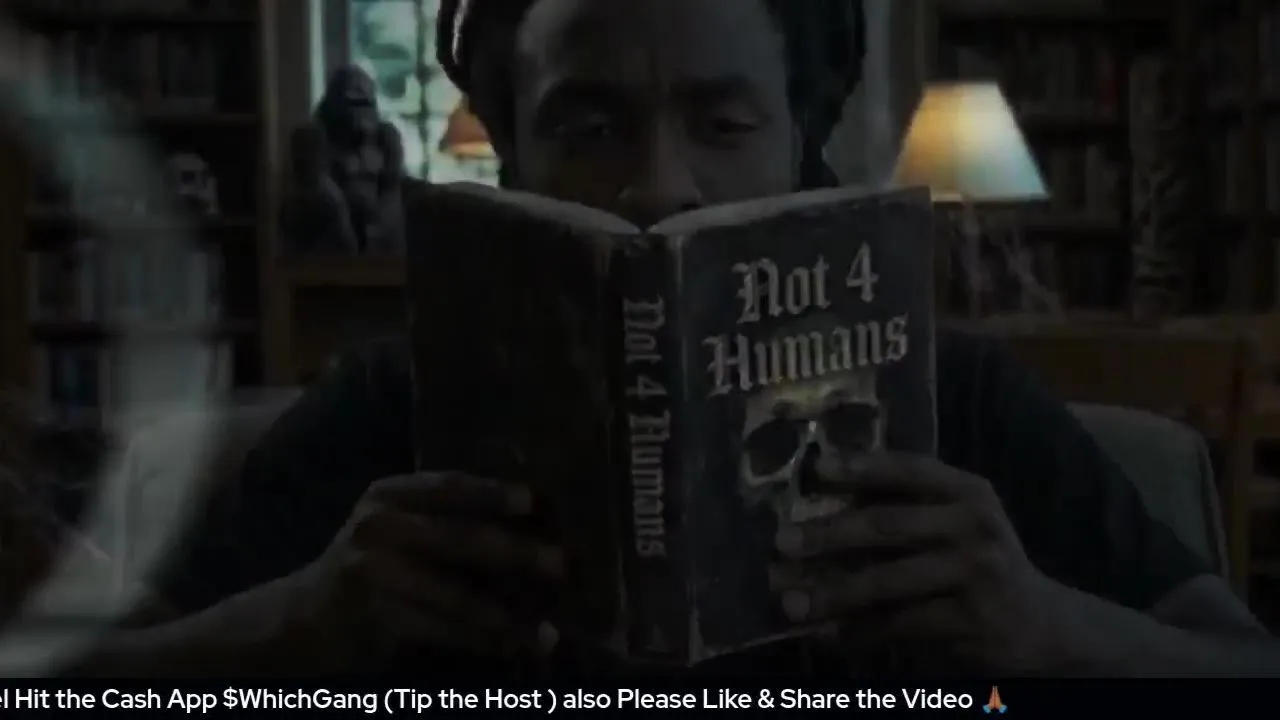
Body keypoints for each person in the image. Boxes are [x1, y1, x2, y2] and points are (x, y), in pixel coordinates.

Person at [76, 0, 1277, 676]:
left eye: (722, 121)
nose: (658, 186)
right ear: (511, 153)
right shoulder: (398, 401)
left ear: (797, 143)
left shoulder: (950, 395)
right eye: (588, 123)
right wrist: (303, 620)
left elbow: (1238, 659)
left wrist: (1042, 624)